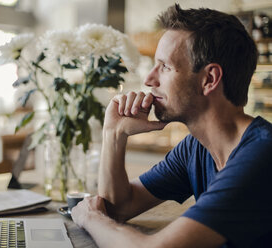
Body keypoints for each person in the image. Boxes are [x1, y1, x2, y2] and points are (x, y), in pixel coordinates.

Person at [71, 4, 272, 248]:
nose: (149, 79)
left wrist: (91, 218)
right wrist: (114, 133)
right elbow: (119, 207)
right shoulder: (195, 148)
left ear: (209, 79)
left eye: (164, 66)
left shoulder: (262, 154)